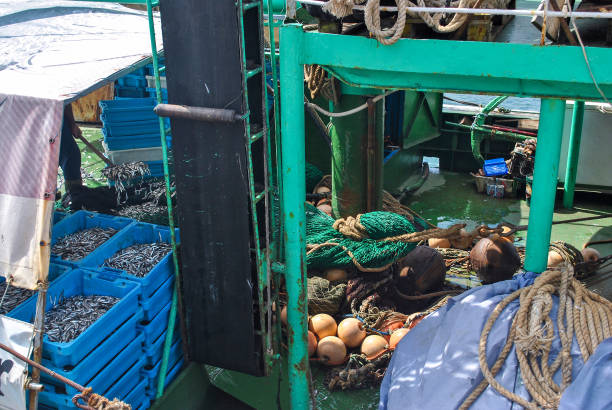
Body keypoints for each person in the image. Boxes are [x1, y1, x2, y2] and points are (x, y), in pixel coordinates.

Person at [59, 104, 83, 192]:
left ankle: (74, 195)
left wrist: (72, 124)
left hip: (57, 117)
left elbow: (65, 101)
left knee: (72, 157)